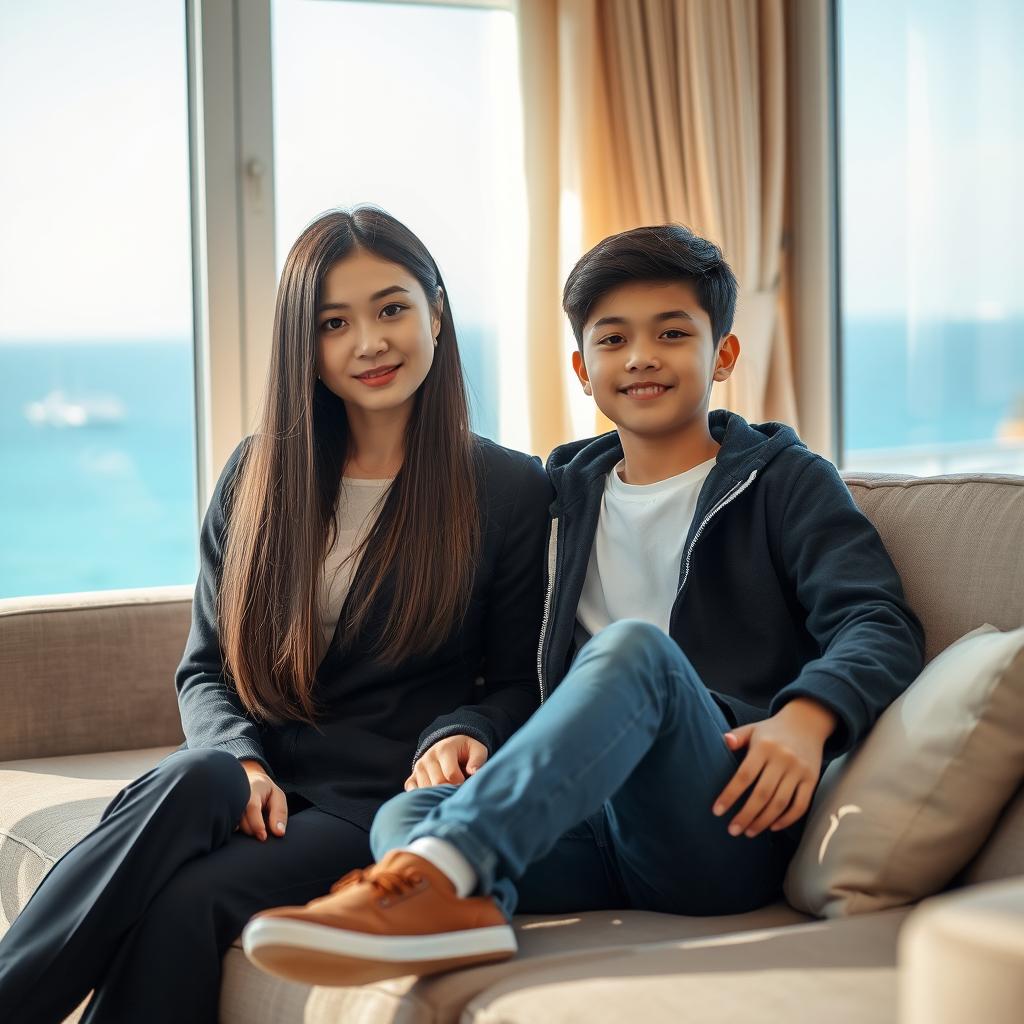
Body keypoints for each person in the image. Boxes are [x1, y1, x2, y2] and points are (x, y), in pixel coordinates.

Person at [239, 223, 927, 988]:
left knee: (635, 652)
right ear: (581, 368)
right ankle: (457, 908)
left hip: (721, 821)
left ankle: (431, 879)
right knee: (405, 813)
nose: (640, 357)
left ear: (723, 355)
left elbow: (879, 623)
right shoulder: (560, 496)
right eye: (613, 339)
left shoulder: (785, 482)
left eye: (672, 333)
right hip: (584, 832)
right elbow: (511, 665)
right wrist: (467, 729)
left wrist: (807, 719)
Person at [0, 205, 552, 1023]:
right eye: (335, 322)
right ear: (306, 345)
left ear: (436, 313)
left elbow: (518, 682)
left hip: (368, 796)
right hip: (254, 780)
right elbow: (206, 667)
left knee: (184, 907)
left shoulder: (508, 488)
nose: (369, 342)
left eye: (392, 308)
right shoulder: (257, 473)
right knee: (197, 772)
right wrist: (245, 763)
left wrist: (462, 730)